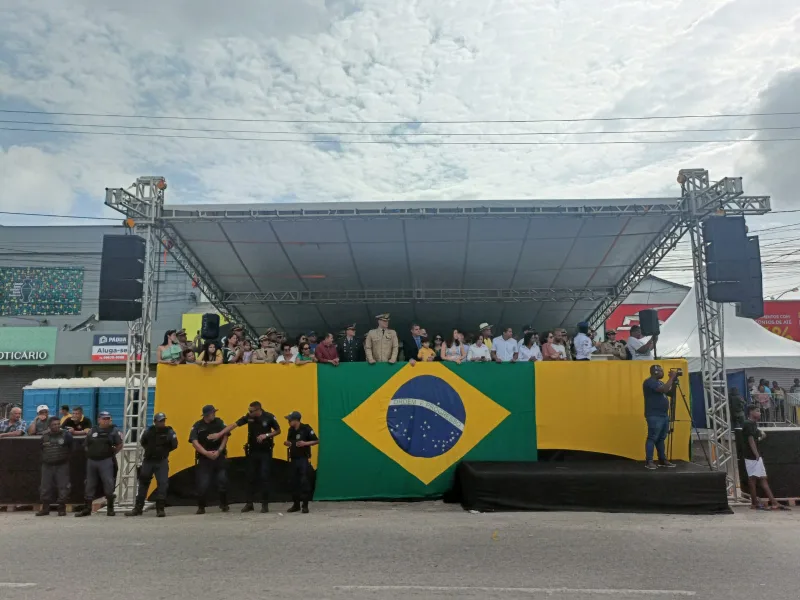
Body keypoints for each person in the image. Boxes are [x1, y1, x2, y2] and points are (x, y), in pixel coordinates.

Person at [210, 401, 281, 513]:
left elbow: (278, 430)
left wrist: (266, 435)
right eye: (249, 410)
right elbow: (234, 425)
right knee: (249, 477)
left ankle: (264, 504)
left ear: (258, 410)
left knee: (264, 476)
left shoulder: (269, 417)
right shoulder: (248, 417)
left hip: (265, 452)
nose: (249, 413)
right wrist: (219, 434)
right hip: (252, 451)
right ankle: (249, 503)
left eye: (251, 411)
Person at [125, 412, 178, 518]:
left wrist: (163, 452)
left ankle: (160, 509)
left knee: (162, 484)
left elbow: (174, 445)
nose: (162, 423)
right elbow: (143, 442)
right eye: (159, 421)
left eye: (163, 420)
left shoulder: (169, 431)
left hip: (161, 461)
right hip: (148, 461)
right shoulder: (149, 431)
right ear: (155, 422)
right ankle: (138, 508)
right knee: (143, 484)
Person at [75, 411, 123, 517]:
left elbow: (119, 444)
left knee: (108, 483)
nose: (106, 421)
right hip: (92, 461)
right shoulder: (93, 430)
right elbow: (86, 444)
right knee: (89, 484)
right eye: (104, 419)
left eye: (108, 419)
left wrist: (111, 453)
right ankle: (87, 509)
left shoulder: (114, 431)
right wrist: (90, 453)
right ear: (99, 420)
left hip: (105, 461)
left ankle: (110, 508)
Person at [743, 404, 789, 510]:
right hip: (752, 457)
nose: (760, 413)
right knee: (753, 479)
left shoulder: (752, 424)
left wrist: (761, 435)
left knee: (762, 478)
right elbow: (750, 440)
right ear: (751, 412)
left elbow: (756, 436)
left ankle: (772, 502)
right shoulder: (748, 424)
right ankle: (755, 503)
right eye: (757, 411)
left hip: (755, 456)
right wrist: (756, 454)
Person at [189, 405, 229, 514]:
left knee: (222, 480)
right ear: (207, 415)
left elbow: (225, 435)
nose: (214, 414)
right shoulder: (197, 425)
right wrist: (206, 453)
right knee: (203, 483)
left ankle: (224, 504)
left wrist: (219, 451)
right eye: (212, 413)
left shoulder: (219, 422)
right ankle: (201, 507)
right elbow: (194, 441)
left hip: (219, 456)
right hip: (204, 458)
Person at [642, 365, 678, 470]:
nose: (663, 373)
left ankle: (662, 460)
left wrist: (674, 381)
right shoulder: (650, 382)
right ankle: (649, 461)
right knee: (652, 437)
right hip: (654, 415)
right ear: (656, 372)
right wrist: (671, 378)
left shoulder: (660, 382)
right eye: (662, 371)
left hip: (663, 415)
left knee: (661, 438)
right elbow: (663, 389)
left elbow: (670, 392)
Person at [36, 417, 73, 516]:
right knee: (45, 487)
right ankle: (45, 508)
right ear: (49, 426)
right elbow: (40, 450)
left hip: (62, 465)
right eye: (54, 424)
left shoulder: (66, 435)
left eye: (58, 424)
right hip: (47, 465)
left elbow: (72, 448)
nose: (56, 426)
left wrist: (64, 458)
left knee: (63, 487)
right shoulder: (44, 436)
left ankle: (61, 508)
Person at [283, 411, 318, 514]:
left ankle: (305, 505)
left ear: (296, 420)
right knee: (294, 482)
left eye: (290, 420)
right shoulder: (291, 430)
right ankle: (296, 505)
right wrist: (287, 443)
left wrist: (305, 443)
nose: (288, 422)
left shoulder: (306, 428)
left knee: (304, 482)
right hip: (293, 459)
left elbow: (316, 440)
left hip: (303, 459)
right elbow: (290, 441)